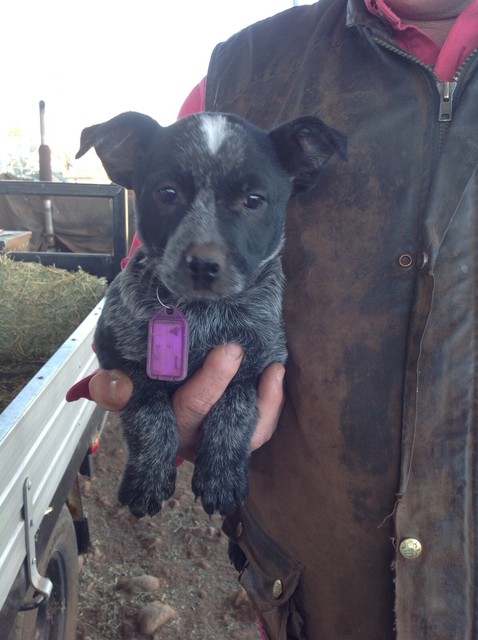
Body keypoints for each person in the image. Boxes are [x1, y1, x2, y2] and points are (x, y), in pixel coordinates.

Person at [78, 1, 478, 637]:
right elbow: (144, 278)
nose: (207, 244)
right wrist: (142, 393)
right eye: (174, 196)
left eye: (251, 199)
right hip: (310, 582)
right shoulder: (242, 66)